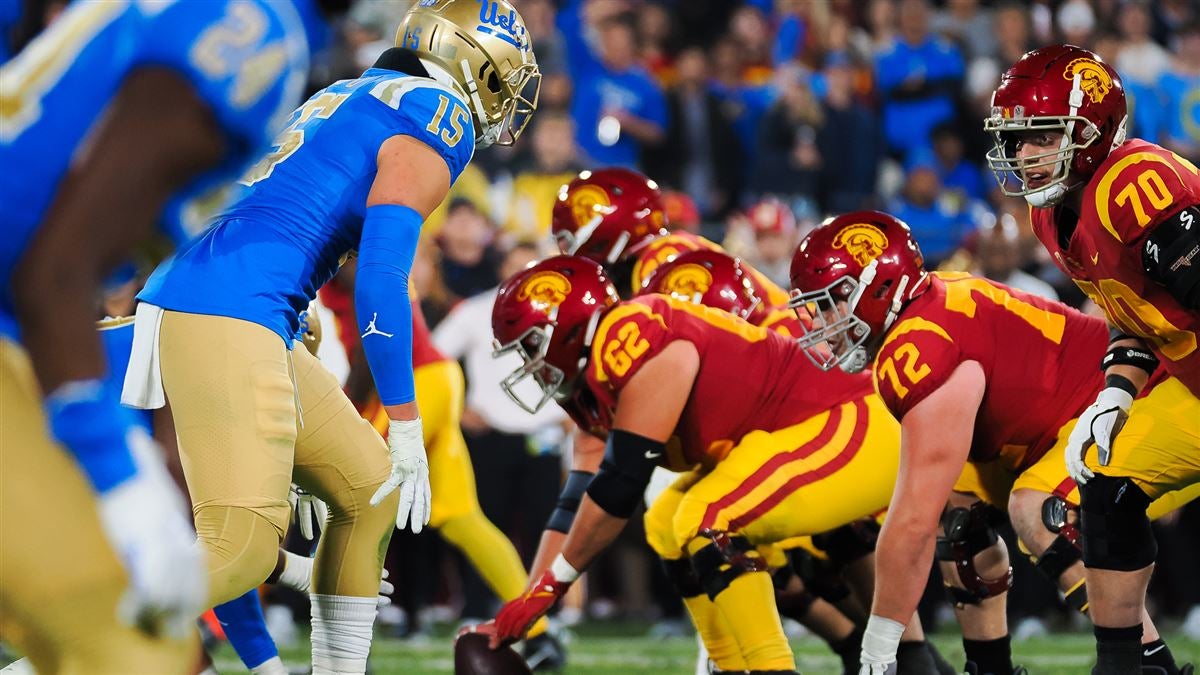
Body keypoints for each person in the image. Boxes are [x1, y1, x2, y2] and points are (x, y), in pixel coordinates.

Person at [123, 2, 539, 672]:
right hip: (233, 306)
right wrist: (404, 420)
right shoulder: (440, 114)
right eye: (505, 76)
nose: (506, 97)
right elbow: (380, 278)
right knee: (243, 549)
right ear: (472, 61)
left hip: (226, 297)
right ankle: (71, 638)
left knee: (367, 486)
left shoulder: (352, 89)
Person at [0, 0, 326, 670]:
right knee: (129, 650)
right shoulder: (249, 25)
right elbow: (54, 272)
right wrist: (123, 479)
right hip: (23, 319)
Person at [788, 210, 1199, 675]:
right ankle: (990, 668)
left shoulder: (919, 345)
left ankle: (1145, 663)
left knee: (1041, 511)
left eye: (831, 303)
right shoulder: (925, 308)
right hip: (1057, 426)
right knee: (959, 519)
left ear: (879, 286)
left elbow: (909, 525)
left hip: (1131, 402)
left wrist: (880, 648)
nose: (823, 321)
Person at [480, 255, 905, 674]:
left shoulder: (629, 333)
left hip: (850, 416)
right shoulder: (588, 387)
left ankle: (772, 668)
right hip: (795, 434)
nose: (529, 364)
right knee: (666, 523)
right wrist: (533, 596)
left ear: (570, 325)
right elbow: (579, 501)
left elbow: (620, 485)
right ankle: (731, 665)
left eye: (531, 346)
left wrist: (550, 589)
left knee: (710, 518)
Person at [986, 44, 1200, 675]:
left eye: (1040, 137)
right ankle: (1129, 668)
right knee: (1102, 487)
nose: (1023, 155)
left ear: (1090, 132)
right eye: (1016, 140)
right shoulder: (1051, 214)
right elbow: (1138, 315)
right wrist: (1116, 392)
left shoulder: (1135, 185)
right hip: (1191, 385)